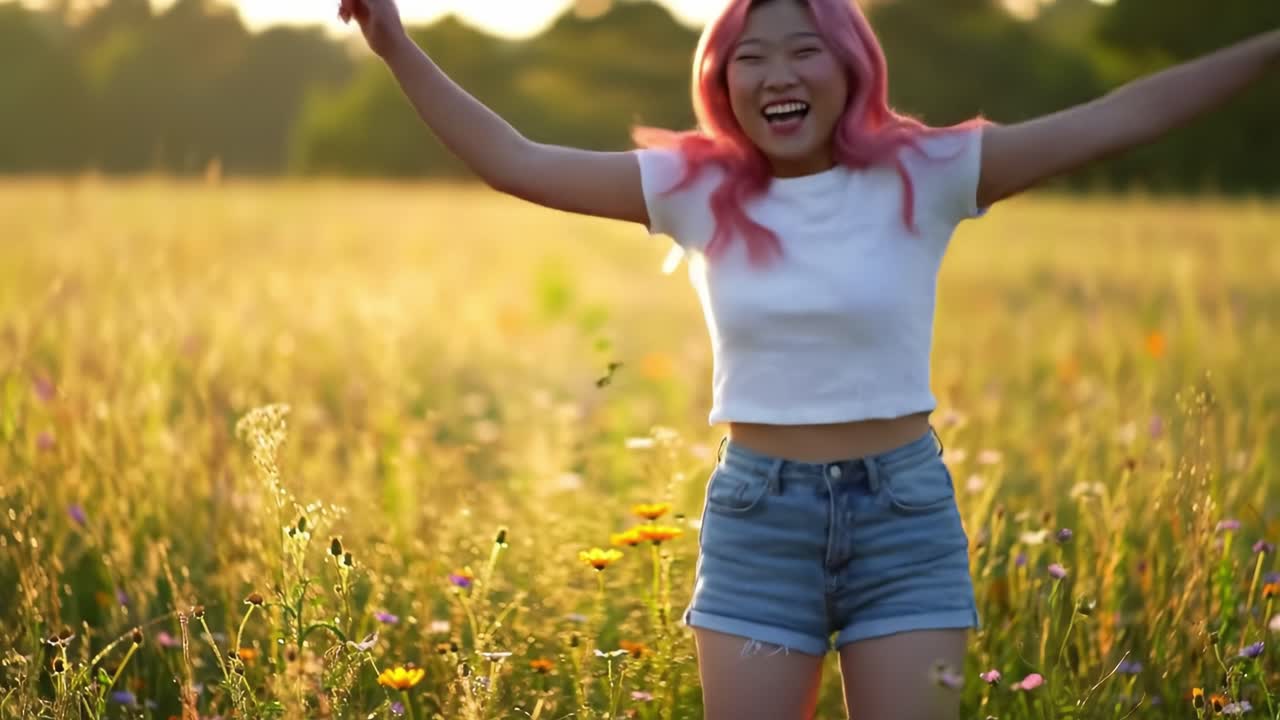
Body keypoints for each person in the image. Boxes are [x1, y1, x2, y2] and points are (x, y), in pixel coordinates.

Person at [338, 0, 1278, 716]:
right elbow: (515, 159)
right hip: (759, 521)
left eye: (802, 49)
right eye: (749, 55)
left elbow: (1122, 115)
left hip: (904, 522)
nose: (776, 73)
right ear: (721, 78)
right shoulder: (695, 187)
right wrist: (393, 42)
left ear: (849, 64)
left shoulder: (928, 170)